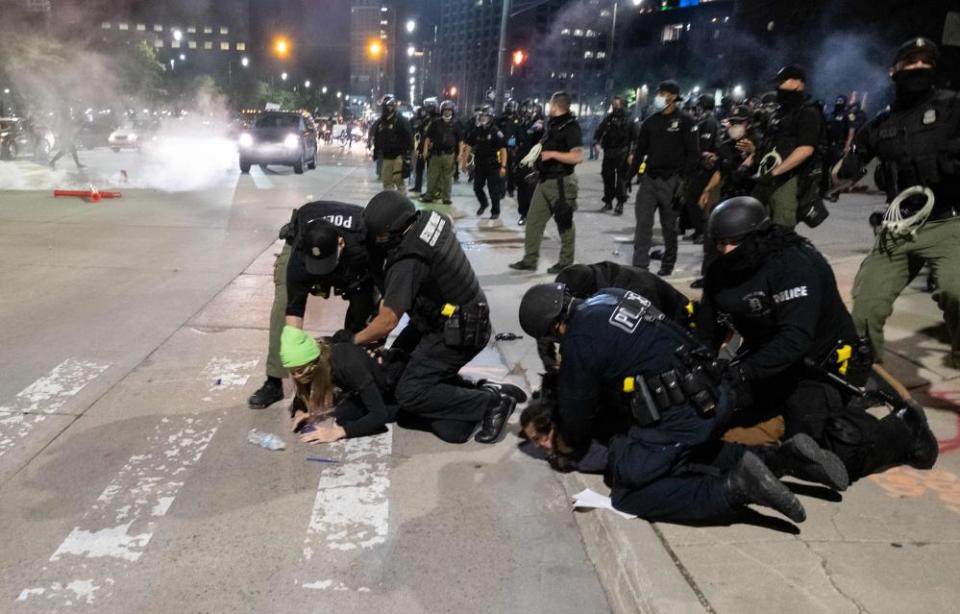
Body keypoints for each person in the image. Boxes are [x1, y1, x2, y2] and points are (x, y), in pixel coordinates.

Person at [515, 283, 852, 523]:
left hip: (685, 411)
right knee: (680, 454)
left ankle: (734, 488)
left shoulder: (580, 340)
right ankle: (783, 458)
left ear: (553, 328)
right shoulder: (610, 297)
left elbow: (576, 418)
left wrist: (563, 448)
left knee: (630, 486)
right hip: (715, 395)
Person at [698, 196, 939, 481]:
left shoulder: (791, 263)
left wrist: (739, 372)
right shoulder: (719, 272)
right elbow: (707, 331)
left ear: (756, 236)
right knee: (712, 425)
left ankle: (906, 430)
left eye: (733, 242)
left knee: (822, 452)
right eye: (719, 242)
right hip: (764, 362)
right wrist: (702, 369)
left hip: (818, 365)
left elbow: (795, 340)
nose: (725, 250)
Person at [339, 191, 516, 444]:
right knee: (396, 367)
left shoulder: (408, 259)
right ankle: (472, 389)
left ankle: (493, 403)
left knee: (409, 393)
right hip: (451, 317)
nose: (377, 241)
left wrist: (354, 339)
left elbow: (388, 321)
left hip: (459, 332)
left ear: (396, 230)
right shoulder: (431, 219)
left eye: (380, 236)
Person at [836, 38, 960, 369]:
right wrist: (842, 170)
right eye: (911, 61)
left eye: (926, 62)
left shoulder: (953, 107)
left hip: (946, 223)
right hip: (898, 227)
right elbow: (844, 170)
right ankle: (866, 374)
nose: (919, 67)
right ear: (895, 71)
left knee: (956, 291)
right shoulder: (881, 122)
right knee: (866, 307)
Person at [278, 326, 526, 444]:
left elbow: (377, 416)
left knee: (455, 433)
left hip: (402, 386)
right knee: (346, 413)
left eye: (299, 371)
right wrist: (302, 410)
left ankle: (490, 395)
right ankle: (470, 390)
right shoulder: (319, 357)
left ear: (314, 362)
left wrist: (337, 433)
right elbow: (305, 387)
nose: (296, 376)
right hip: (388, 391)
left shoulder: (347, 364)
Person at [247, 200, 379, 410]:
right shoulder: (300, 255)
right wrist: (302, 393)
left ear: (341, 245)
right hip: (308, 241)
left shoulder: (362, 242)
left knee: (366, 308)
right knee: (283, 303)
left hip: (352, 256)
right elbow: (294, 311)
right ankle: (273, 382)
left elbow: (368, 298)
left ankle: (349, 376)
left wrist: (352, 343)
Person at [629, 80, 699, 276]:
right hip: (650, 179)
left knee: (669, 226)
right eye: (658, 92)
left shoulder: (686, 121)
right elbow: (640, 152)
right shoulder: (650, 122)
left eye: (663, 93)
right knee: (643, 224)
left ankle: (668, 263)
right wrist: (628, 177)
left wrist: (684, 182)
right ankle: (640, 265)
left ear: (674, 97)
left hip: (673, 180)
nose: (659, 96)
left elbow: (694, 154)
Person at [509, 91, 583, 274]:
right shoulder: (552, 125)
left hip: (562, 182)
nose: (548, 106)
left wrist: (552, 155)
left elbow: (578, 156)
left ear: (557, 105)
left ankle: (566, 262)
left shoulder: (571, 127)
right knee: (533, 220)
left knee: (564, 222)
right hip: (544, 180)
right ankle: (530, 260)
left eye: (550, 103)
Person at [691, 105, 761, 289]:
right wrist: (707, 190)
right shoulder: (726, 146)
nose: (735, 126)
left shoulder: (760, 142)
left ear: (749, 124)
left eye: (740, 122)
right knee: (712, 234)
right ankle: (709, 276)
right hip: (730, 196)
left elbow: (768, 166)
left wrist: (755, 151)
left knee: (749, 244)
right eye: (733, 122)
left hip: (753, 199)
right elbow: (720, 172)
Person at [752, 65, 824, 228]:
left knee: (781, 231)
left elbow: (806, 149)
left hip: (788, 180)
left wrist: (774, 173)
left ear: (797, 84)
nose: (778, 87)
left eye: (782, 82)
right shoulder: (780, 113)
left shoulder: (808, 112)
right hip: (768, 178)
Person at [462, 104, 508, 219]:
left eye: (485, 116)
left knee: (493, 190)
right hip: (480, 165)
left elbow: (503, 150)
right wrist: (464, 162)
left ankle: (495, 211)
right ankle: (484, 203)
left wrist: (503, 166)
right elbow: (468, 145)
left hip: (493, 166)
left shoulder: (496, 132)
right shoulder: (476, 131)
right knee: (477, 187)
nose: (482, 118)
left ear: (490, 118)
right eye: (481, 116)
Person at [593, 96, 633, 215]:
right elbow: (599, 132)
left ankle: (620, 203)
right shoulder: (608, 119)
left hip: (623, 152)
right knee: (607, 177)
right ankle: (608, 201)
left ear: (622, 105)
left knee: (621, 179)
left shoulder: (629, 120)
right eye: (613, 104)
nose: (614, 107)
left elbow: (636, 137)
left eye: (617, 105)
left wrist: (632, 153)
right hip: (609, 152)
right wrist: (596, 143)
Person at [421, 100, 459, 205]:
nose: (447, 112)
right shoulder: (435, 123)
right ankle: (429, 195)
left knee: (447, 178)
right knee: (432, 176)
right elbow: (428, 138)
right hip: (436, 154)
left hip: (449, 155)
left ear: (452, 111)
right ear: (442, 111)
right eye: (446, 110)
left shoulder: (455, 125)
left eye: (449, 110)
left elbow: (460, 141)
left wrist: (460, 155)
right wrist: (425, 150)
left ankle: (446, 197)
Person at [372, 95, 413, 193]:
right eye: (388, 106)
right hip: (386, 156)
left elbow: (409, 137)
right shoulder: (381, 122)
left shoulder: (401, 120)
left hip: (399, 155)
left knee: (398, 179)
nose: (389, 108)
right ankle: (390, 202)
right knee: (386, 181)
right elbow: (377, 137)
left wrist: (407, 155)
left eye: (392, 106)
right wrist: (375, 151)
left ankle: (402, 202)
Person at [514, 100, 545, 226]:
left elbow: (542, 140)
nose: (527, 111)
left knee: (531, 190)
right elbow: (515, 141)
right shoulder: (520, 125)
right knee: (521, 190)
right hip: (521, 161)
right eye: (525, 109)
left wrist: (538, 129)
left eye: (529, 109)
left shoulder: (539, 125)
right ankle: (523, 213)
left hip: (533, 162)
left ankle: (532, 216)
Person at [498, 99, 523, 198]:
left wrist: (517, 145)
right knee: (501, 168)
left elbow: (519, 133)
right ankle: (501, 190)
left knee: (512, 169)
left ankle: (510, 188)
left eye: (512, 107)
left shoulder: (518, 119)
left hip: (513, 147)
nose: (511, 109)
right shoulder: (501, 119)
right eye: (509, 106)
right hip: (501, 147)